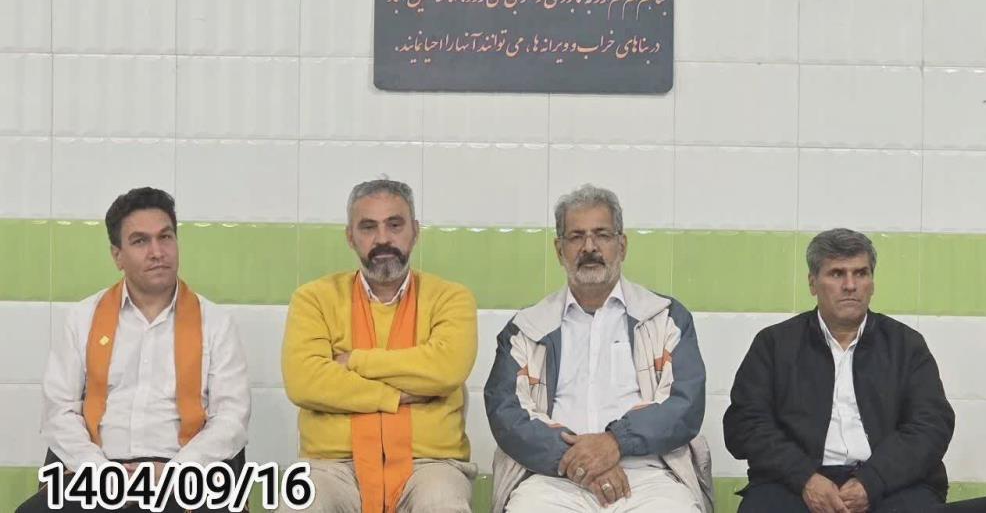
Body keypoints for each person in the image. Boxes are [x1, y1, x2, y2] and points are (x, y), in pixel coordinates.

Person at [16, 187, 251, 513]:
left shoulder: (216, 323)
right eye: (141, 241)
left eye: (165, 237)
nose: (157, 252)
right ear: (118, 256)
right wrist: (103, 474)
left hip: (183, 472)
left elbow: (231, 419)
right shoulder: (83, 318)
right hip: (98, 471)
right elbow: (60, 412)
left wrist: (173, 474)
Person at [485, 184, 713, 513]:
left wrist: (615, 442)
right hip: (553, 477)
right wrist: (583, 461)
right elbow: (507, 414)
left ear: (622, 245)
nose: (589, 247)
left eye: (602, 235)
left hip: (648, 476)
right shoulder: (526, 329)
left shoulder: (665, 317)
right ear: (559, 249)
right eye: (576, 236)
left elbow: (684, 405)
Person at [281, 178, 478, 513]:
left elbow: (446, 369)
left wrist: (353, 361)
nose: (383, 238)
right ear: (350, 236)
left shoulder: (451, 298)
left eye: (395, 225)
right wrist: (398, 395)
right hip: (332, 467)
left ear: (415, 231)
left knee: (443, 505)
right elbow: (305, 381)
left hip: (429, 465)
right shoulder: (313, 299)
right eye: (368, 227)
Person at [724, 228, 955, 513]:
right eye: (837, 274)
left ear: (872, 283)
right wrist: (805, 479)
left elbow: (931, 426)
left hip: (890, 482)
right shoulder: (774, 344)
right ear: (812, 283)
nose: (850, 285)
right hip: (795, 481)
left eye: (861, 273)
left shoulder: (905, 344)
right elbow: (745, 424)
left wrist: (872, 482)